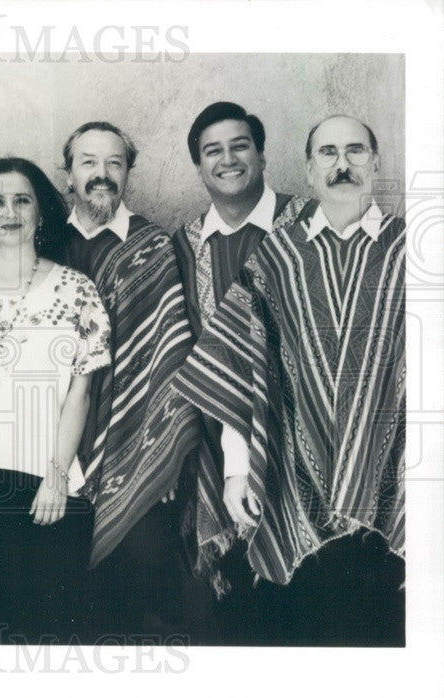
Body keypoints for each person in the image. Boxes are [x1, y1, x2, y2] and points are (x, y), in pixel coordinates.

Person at [173, 115, 405, 645]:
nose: (342, 165)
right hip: (288, 474)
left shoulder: (411, 251)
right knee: (304, 624)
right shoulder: (279, 255)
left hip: (394, 475)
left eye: (355, 151)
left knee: (383, 631)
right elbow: (241, 363)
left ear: (376, 161)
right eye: (327, 153)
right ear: (308, 167)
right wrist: (236, 470)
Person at [0, 157, 111, 643]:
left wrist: (57, 472)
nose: (9, 212)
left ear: (40, 213)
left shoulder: (76, 290)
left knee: (38, 640)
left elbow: (82, 389)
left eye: (22, 199)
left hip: (41, 489)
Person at [60, 121, 208, 639]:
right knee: (65, 594)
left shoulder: (151, 246)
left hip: (137, 443)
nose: (102, 175)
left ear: (128, 172)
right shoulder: (43, 246)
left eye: (115, 163)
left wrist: (162, 450)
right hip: (52, 447)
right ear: (68, 173)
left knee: (133, 586)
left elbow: (168, 356)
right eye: (88, 162)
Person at [171, 102, 307, 642]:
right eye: (213, 151)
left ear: (262, 153)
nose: (228, 159)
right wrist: (231, 459)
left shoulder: (307, 223)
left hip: (304, 439)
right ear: (199, 167)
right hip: (215, 446)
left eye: (240, 144)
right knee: (235, 618)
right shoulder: (185, 244)